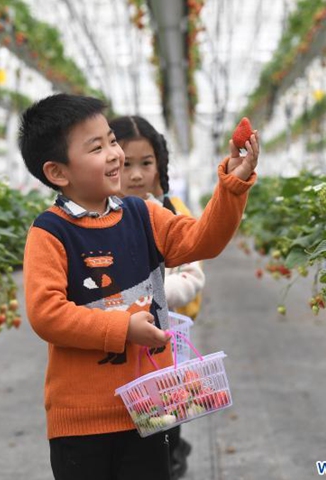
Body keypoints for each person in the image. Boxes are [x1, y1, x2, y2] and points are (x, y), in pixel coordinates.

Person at [19, 93, 258, 480]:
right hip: (82, 421)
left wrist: (234, 181)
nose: (115, 154)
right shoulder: (50, 232)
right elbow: (47, 314)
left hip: (150, 408)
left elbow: (202, 241)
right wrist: (123, 328)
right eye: (97, 148)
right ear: (58, 173)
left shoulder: (143, 214)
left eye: (111, 140)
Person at [110, 115, 205, 479]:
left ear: (159, 166)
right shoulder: (95, 217)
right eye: (125, 163)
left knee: (164, 412)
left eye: (145, 163)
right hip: (116, 340)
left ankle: (173, 452)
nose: (135, 175)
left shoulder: (172, 213)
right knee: (122, 421)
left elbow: (193, 276)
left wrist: (151, 298)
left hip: (166, 338)